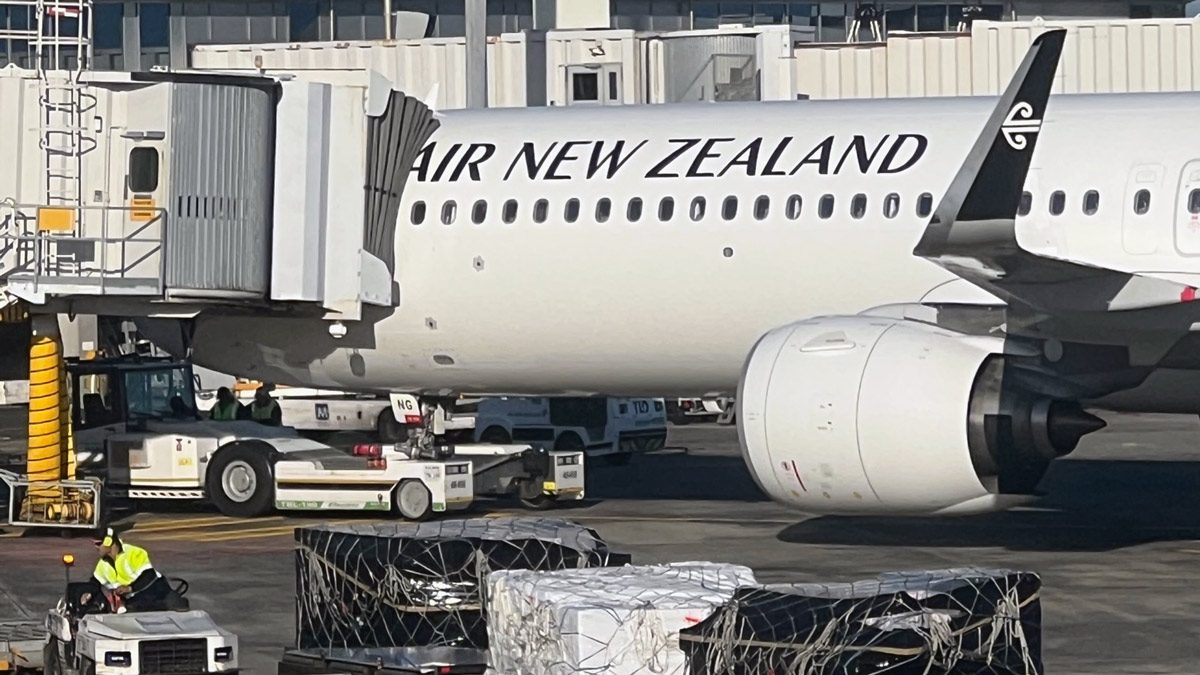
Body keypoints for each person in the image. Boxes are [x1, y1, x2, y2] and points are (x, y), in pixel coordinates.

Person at [81, 528, 179, 613]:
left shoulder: (134, 553)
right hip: (136, 601)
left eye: (98, 544)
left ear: (108, 542)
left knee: (177, 606)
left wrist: (129, 588)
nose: (96, 547)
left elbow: (149, 575)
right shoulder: (103, 564)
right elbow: (95, 581)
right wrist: (88, 593)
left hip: (157, 593)